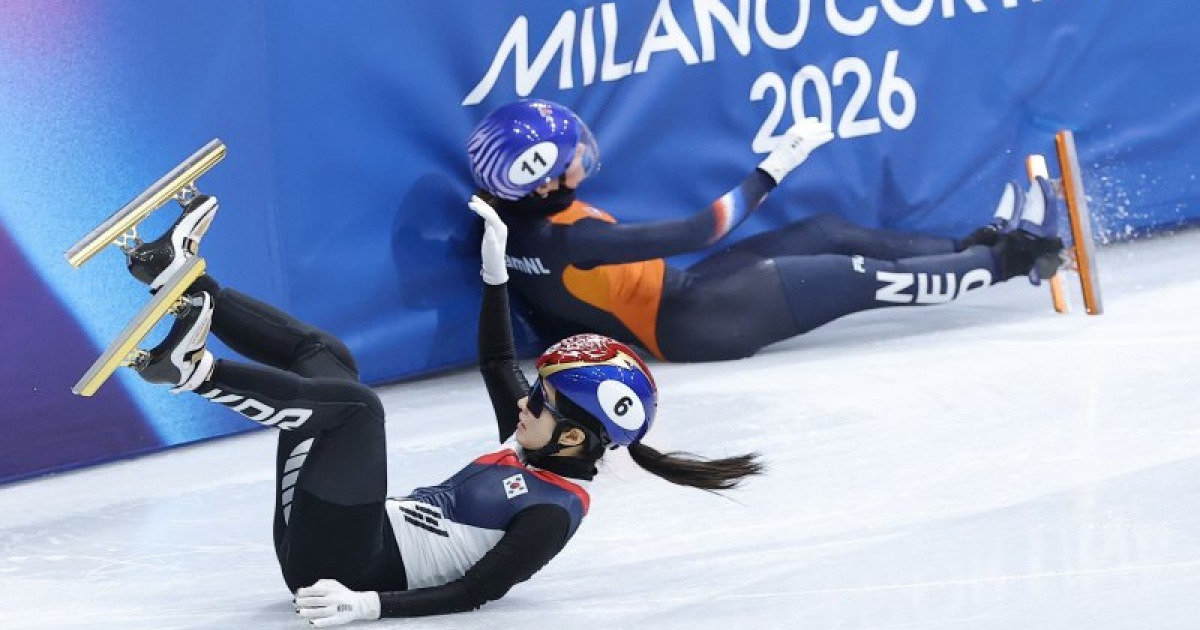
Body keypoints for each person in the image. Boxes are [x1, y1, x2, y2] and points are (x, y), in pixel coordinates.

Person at [111, 192, 763, 624]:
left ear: (572, 440)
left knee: (358, 411)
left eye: (542, 402)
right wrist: (496, 276)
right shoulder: (537, 444)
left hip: (343, 567)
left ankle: (192, 371)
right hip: (331, 537)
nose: (525, 403)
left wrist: (369, 606)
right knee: (329, 357)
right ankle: (182, 282)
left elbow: (476, 592)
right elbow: (496, 364)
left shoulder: (553, 512)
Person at [465, 99, 1067, 362]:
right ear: (542, 182)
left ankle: (976, 247)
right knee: (861, 279)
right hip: (699, 321)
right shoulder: (568, 238)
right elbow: (706, 227)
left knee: (825, 230)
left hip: (682, 299)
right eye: (568, 154)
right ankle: (1018, 259)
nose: (580, 156)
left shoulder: (513, 221)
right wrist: (776, 166)